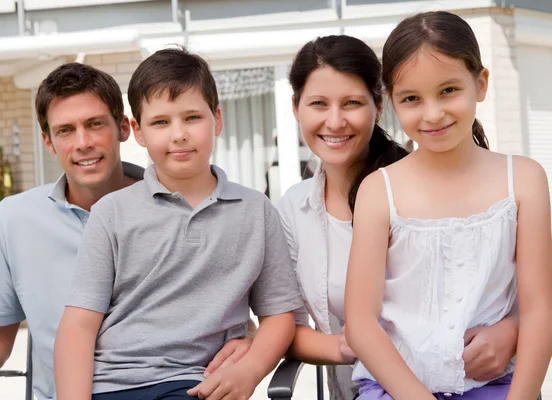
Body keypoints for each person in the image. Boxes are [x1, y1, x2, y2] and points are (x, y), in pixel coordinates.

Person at [0, 62, 251, 400]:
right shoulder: (14, 219)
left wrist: (251, 340)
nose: (83, 143)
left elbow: (236, 308)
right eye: (65, 130)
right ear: (48, 141)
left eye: (95, 124)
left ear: (124, 128)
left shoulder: (193, 206)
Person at [277, 35, 521, 399]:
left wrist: (512, 329)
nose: (335, 121)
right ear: (296, 108)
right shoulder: (294, 208)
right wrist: (348, 347)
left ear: (379, 105)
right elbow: (282, 324)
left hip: (474, 381)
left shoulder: (416, 187)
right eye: (318, 104)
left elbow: (502, 282)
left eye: (352, 103)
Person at [53, 47, 303, 400]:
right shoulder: (111, 212)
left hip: (199, 384)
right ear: (138, 131)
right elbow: (78, 326)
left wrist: (250, 370)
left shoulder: (256, 211)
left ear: (217, 118)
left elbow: (279, 316)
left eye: (192, 118)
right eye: (160, 122)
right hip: (115, 385)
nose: (179, 134)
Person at [345, 11, 552, 400]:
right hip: (397, 389)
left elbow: (540, 308)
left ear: (481, 83)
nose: (433, 113)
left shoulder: (524, 179)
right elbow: (360, 323)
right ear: (392, 102)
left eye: (448, 91)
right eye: (411, 98)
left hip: (498, 387)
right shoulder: (378, 190)